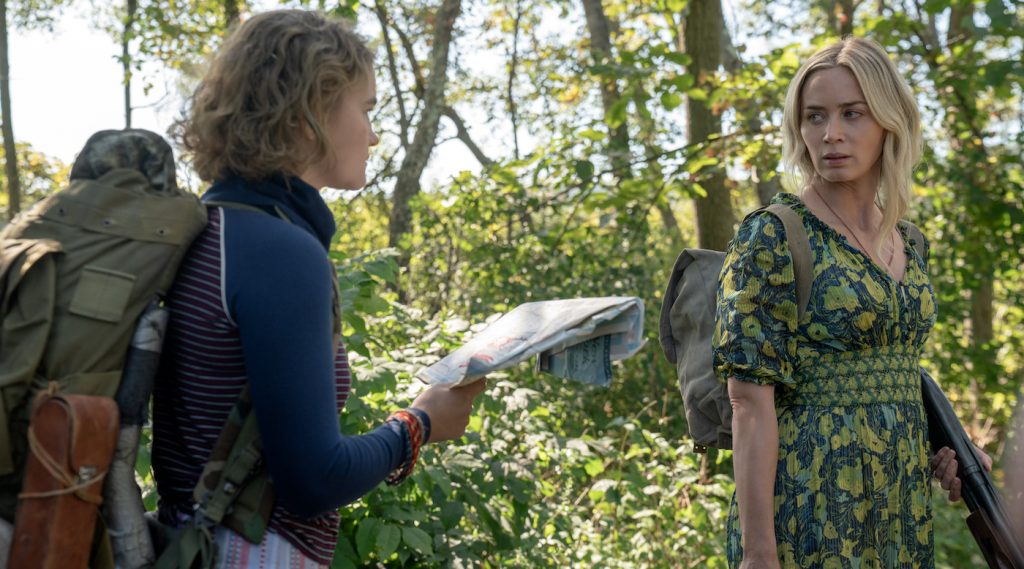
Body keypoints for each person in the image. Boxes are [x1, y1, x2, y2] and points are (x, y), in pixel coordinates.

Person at [151, 10, 486, 568]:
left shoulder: (209, 228)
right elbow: (312, 479)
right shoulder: (281, 252)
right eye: (366, 109)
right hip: (248, 553)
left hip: (186, 544)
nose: (375, 135)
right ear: (307, 114)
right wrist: (420, 423)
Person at [713, 37, 990, 569]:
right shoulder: (773, 235)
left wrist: (950, 443)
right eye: (814, 116)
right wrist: (758, 551)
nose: (831, 133)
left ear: (889, 120)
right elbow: (748, 401)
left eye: (852, 114)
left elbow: (897, 369)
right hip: (809, 504)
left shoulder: (910, 242)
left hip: (900, 506)